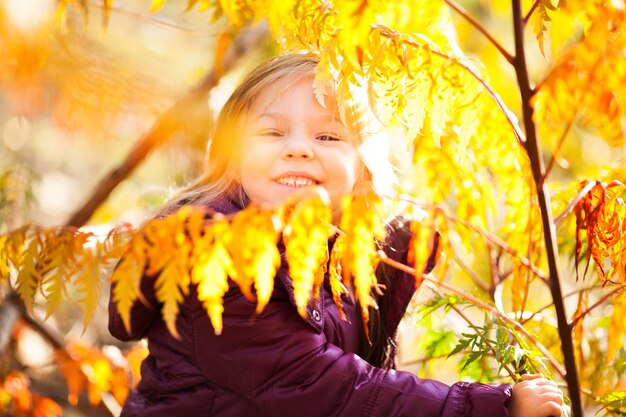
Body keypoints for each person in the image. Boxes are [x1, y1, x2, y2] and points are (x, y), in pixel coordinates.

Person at [109, 53, 564, 417]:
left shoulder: (353, 256)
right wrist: (484, 407)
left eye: (328, 137)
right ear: (232, 157)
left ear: (362, 169)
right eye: (272, 131)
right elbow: (327, 389)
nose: (299, 147)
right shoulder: (219, 258)